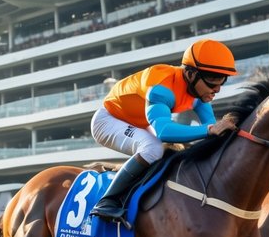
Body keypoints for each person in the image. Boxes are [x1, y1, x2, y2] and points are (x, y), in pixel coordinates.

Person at [89, 38, 239, 222]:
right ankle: (107, 201)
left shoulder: (200, 93)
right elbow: (164, 131)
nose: (217, 89)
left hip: (139, 123)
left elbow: (212, 132)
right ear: (191, 74)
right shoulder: (161, 87)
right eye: (212, 82)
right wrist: (210, 129)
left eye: (221, 82)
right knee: (153, 148)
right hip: (108, 120)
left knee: (174, 149)